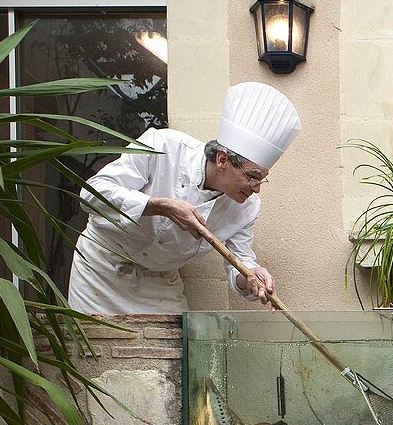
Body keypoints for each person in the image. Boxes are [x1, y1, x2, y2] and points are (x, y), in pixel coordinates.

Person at [67, 82, 301, 315]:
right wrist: (160, 206)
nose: (257, 188)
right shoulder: (163, 146)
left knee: (176, 350)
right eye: (252, 177)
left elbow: (240, 262)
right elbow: (91, 195)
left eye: (262, 179)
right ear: (222, 160)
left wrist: (252, 276)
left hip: (161, 284)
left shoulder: (246, 208)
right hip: (101, 270)